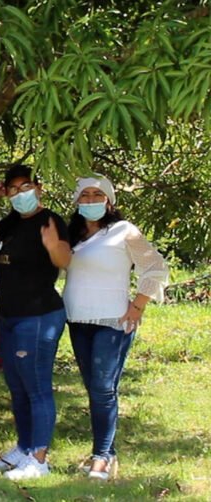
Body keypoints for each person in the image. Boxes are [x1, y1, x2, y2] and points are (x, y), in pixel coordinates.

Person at [63, 176, 168, 481]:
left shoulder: (124, 231)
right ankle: (107, 453)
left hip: (113, 322)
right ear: (77, 201)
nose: (91, 200)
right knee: (94, 388)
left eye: (98, 195)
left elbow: (155, 267)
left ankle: (101, 457)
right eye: (85, 195)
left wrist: (138, 305)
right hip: (77, 320)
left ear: (109, 201)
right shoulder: (72, 237)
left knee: (103, 388)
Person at [0, 164, 72, 480]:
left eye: (26, 187)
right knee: (18, 387)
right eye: (13, 189)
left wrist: (52, 246)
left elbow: (65, 260)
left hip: (39, 316)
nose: (20, 193)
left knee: (36, 387)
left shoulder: (50, 221)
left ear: (38, 188)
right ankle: (24, 447)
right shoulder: (9, 223)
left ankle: (39, 458)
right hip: (9, 316)